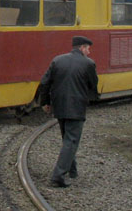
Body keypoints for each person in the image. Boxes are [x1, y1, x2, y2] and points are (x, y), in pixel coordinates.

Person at [38, 35, 99, 188]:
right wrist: (91, 99)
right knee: (71, 141)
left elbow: (44, 83)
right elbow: (93, 86)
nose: (89, 52)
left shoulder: (57, 60)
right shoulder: (89, 64)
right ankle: (58, 176)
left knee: (67, 138)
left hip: (59, 107)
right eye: (88, 48)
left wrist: (45, 102)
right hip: (77, 107)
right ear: (82, 48)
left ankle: (73, 171)